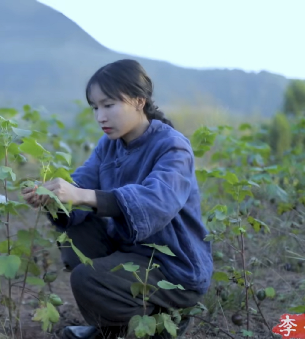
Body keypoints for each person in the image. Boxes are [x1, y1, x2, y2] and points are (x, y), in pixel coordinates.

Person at [21, 59, 213, 339]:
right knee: (75, 227)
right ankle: (113, 326)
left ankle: (162, 321)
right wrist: (54, 197)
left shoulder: (172, 146)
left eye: (109, 105)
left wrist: (82, 195)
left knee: (87, 278)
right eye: (95, 108)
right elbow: (82, 183)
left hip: (174, 267)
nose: (100, 116)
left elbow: (156, 202)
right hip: (131, 254)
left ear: (139, 100)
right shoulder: (108, 146)